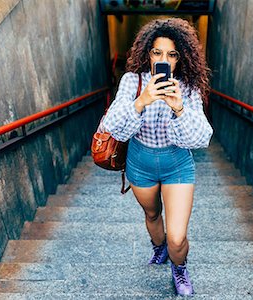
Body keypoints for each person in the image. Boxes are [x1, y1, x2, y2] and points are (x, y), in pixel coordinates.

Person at [102, 18, 213, 296]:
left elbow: (202, 138)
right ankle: (158, 249)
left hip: (177, 164)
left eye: (172, 54)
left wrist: (179, 109)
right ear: (147, 54)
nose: (164, 59)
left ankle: (179, 267)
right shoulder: (132, 82)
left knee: (177, 237)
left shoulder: (188, 89)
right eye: (157, 52)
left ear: (181, 58)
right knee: (152, 214)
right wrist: (142, 101)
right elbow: (112, 126)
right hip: (140, 163)